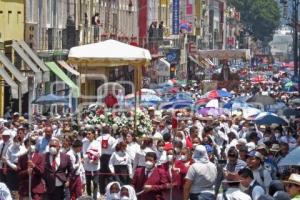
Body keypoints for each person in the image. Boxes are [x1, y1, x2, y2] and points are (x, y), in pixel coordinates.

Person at [97, 125, 116, 195]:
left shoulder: (98, 138)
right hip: (109, 157)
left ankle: (102, 190)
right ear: (109, 130)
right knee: (110, 174)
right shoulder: (112, 139)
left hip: (101, 157)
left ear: (102, 130)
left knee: (101, 174)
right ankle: (109, 190)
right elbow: (114, 149)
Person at [83, 127, 101, 200]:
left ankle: (95, 197)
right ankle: (89, 197)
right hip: (87, 166)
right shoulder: (84, 143)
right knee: (88, 183)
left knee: (95, 182)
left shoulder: (97, 143)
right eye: (87, 133)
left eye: (89, 134)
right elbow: (84, 154)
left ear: (93, 134)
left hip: (95, 166)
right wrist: (89, 157)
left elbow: (99, 153)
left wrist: (94, 158)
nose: (88, 135)